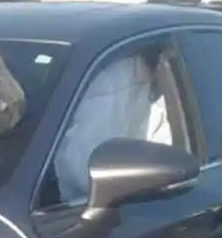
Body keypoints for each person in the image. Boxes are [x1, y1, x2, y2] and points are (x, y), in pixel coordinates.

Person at [49, 47, 174, 203]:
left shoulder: (150, 89)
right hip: (81, 206)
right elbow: (82, 169)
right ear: (162, 59)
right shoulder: (111, 85)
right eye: (171, 60)